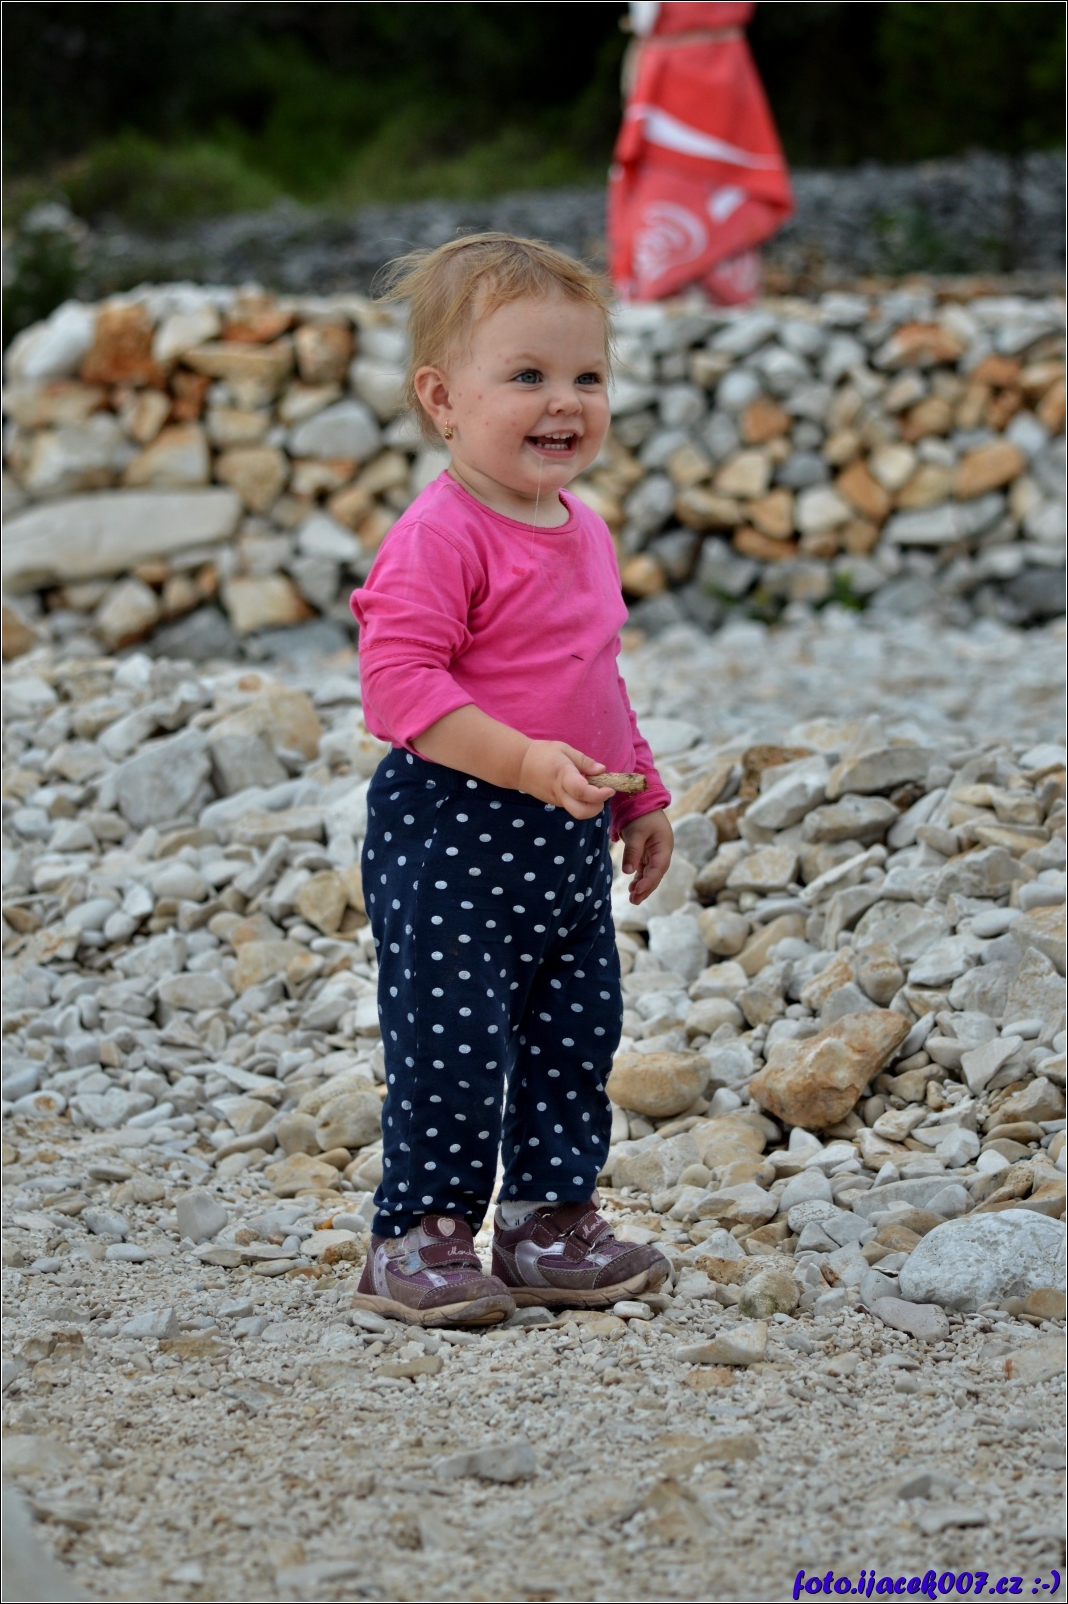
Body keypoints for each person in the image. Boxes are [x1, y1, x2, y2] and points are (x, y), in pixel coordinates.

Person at [349, 233, 673, 1327]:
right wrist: (526, 761)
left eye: (587, 376)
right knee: (453, 1043)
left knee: (574, 1035)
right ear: (442, 399)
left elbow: (593, 676)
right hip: (455, 826)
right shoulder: (440, 535)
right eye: (528, 375)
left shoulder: (584, 529)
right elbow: (398, 684)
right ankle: (418, 1234)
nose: (564, 402)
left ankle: (547, 1221)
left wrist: (641, 791)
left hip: (566, 835)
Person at [608, 1, 792, 305]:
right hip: (718, 62)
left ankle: (668, 283)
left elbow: (647, 17)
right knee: (716, 171)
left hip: (677, 65)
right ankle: (721, 283)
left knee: (679, 170)